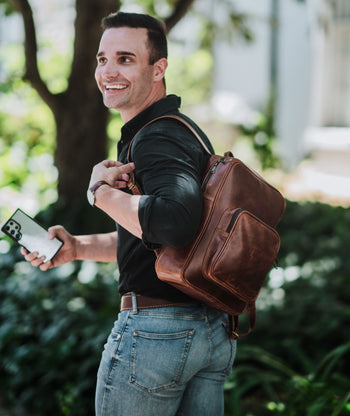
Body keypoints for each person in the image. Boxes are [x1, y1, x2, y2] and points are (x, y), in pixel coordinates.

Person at [22, 11, 236, 416]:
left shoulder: (156, 136)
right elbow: (156, 236)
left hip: (159, 334)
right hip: (207, 329)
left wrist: (98, 192)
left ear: (159, 69)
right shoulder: (179, 129)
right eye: (102, 60)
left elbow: (174, 222)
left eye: (125, 59)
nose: (108, 71)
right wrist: (77, 247)